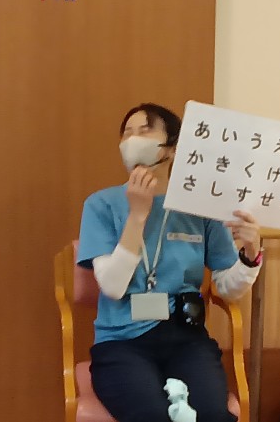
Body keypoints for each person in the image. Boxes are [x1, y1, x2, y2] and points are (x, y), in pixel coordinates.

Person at [77, 103, 263, 422]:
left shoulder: (200, 207)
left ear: (174, 148)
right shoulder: (101, 205)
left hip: (187, 339)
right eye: (127, 133)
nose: (133, 140)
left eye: (145, 131)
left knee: (211, 415)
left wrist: (250, 253)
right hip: (122, 343)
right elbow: (113, 286)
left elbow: (228, 288)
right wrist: (137, 215)